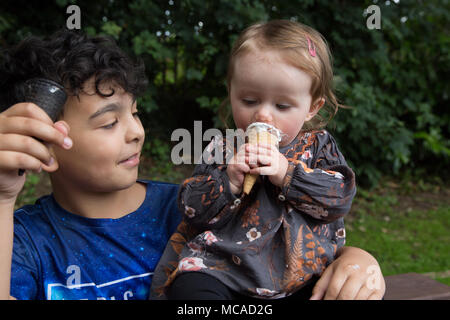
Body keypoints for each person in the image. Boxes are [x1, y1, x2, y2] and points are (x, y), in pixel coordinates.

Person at [150, 20, 384, 300]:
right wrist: (228, 182)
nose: (262, 115)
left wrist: (287, 173)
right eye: (249, 100)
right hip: (221, 271)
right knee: (189, 290)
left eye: (282, 106)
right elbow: (192, 209)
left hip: (300, 276)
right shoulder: (224, 148)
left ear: (312, 107)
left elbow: (339, 199)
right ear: (231, 92)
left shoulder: (318, 146)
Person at [0, 30, 181, 300]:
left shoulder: (185, 209)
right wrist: (2, 198)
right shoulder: (25, 243)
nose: (137, 132)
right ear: (41, 142)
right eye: (109, 123)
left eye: (134, 113)